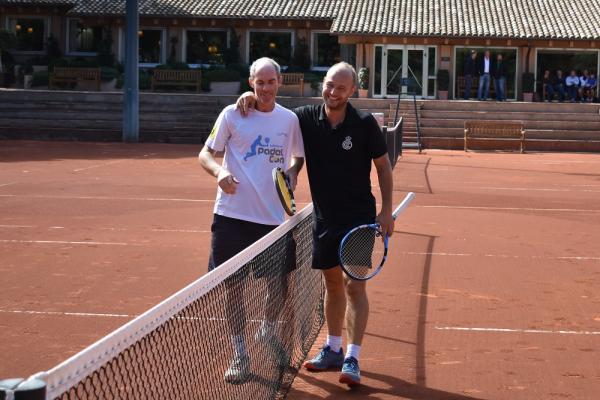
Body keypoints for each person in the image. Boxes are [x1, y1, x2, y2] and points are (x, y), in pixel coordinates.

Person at [236, 62, 394, 387]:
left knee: (354, 285)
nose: (333, 92)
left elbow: (383, 166)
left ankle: (352, 356)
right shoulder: (304, 119)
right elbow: (275, 115)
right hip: (324, 219)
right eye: (329, 85)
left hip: (359, 220)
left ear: (352, 91)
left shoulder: (364, 124)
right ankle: (333, 349)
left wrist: (387, 210)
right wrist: (250, 98)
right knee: (333, 285)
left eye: (340, 88)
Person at [198, 57, 305, 384]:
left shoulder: (289, 120)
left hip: (272, 221)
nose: (265, 88)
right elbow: (205, 153)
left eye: (271, 82)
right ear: (251, 83)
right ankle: (239, 352)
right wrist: (220, 172)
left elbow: (298, 157)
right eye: (260, 82)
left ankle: (266, 331)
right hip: (231, 216)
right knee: (234, 289)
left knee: (279, 286)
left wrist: (293, 171)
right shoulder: (232, 114)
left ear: (279, 82)